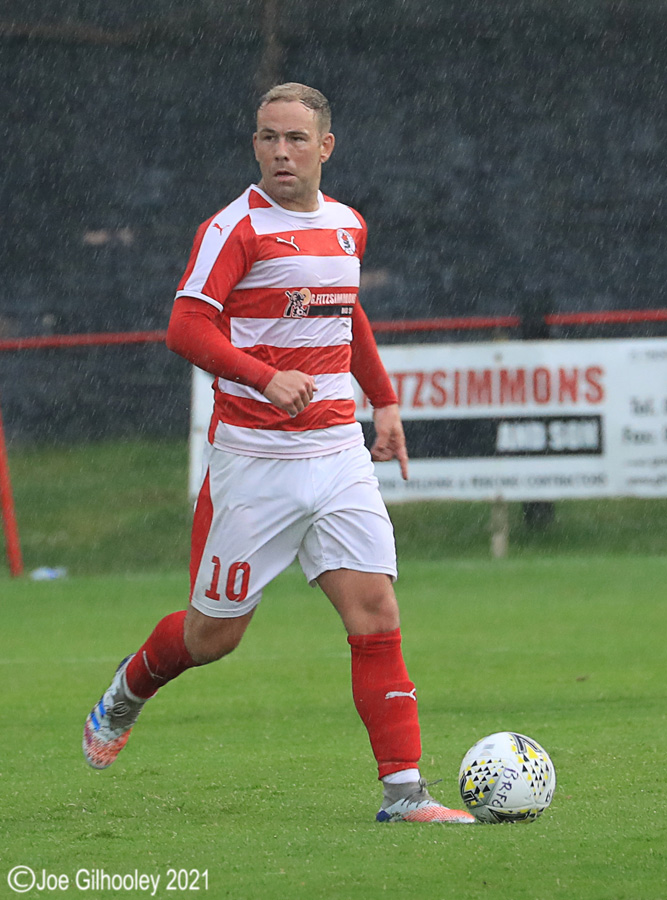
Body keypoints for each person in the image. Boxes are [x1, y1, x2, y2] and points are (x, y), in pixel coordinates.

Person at [82, 83, 474, 825]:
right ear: (254, 145)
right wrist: (263, 376)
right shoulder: (233, 228)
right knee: (213, 637)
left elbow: (345, 310)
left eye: (295, 138)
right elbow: (185, 327)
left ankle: (404, 796)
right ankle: (129, 689)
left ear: (325, 147)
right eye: (267, 137)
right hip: (254, 463)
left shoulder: (347, 226)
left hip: (336, 456)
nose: (280, 151)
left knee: (375, 613)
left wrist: (383, 401)